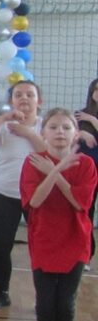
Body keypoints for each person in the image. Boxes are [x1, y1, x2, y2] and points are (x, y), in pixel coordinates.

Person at [21, 109, 97, 321]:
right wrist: (53, 169)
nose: (60, 132)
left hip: (75, 241)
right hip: (43, 240)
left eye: (66, 127)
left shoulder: (87, 164)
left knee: (65, 304)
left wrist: (56, 171)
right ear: (44, 133)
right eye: (53, 127)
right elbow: (35, 201)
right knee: (45, 303)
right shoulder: (33, 162)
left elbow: (80, 203)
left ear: (75, 134)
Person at [0, 81, 44, 308]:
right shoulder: (2, 125)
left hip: (38, 197)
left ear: (39, 101)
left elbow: (49, 153)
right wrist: (3, 118)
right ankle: (1, 292)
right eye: (18, 95)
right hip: (4, 194)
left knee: (42, 248)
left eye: (30, 94)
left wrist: (28, 133)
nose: (24, 98)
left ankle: (44, 298)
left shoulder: (45, 125)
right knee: (1, 246)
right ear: (11, 101)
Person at [73, 78, 98, 265]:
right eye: (95, 89)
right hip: (87, 170)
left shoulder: (88, 117)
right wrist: (81, 133)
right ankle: (86, 254)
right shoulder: (80, 114)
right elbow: (68, 136)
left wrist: (92, 121)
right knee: (86, 210)